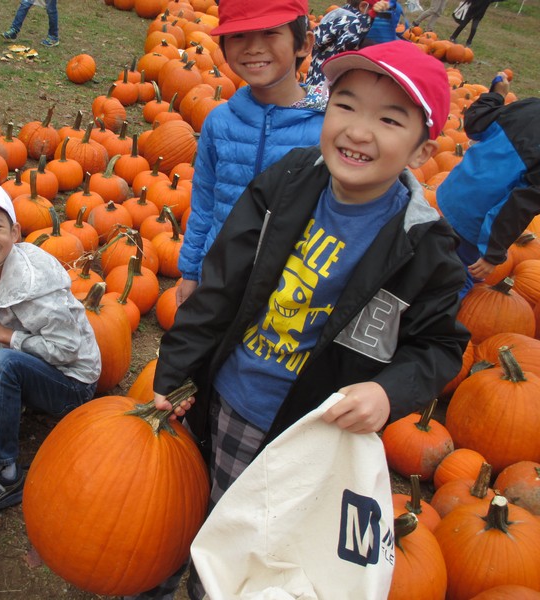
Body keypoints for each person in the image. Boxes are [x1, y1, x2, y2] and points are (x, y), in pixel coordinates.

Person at [152, 40, 469, 599]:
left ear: (422, 150)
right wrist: (175, 370)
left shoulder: (425, 249)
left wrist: (388, 392)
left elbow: (440, 347)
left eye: (389, 119)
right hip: (235, 400)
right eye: (345, 105)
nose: (358, 130)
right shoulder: (288, 180)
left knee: (268, 541)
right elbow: (221, 284)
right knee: (206, 515)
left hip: (313, 434)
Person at [0, 183, 100, 514]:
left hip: (73, 384)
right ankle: (14, 396)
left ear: (15, 232)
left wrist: (3, 335)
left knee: (2, 363)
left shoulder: (37, 288)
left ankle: (4, 474)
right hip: (43, 362)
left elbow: (68, 351)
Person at [175, 0, 326, 306]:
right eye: (239, 35)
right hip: (219, 277)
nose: (253, 47)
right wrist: (191, 271)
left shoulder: (327, 131)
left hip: (287, 294)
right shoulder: (219, 122)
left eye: (270, 33)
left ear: (304, 44)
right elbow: (203, 202)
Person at [437, 74, 540, 297]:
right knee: (456, 281)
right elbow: (517, 205)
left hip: (449, 196)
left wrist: (496, 95)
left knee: (427, 254)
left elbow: (475, 124)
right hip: (475, 223)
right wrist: (493, 253)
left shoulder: (530, 107)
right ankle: (422, 325)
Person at [305, 0, 391, 89]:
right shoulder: (351, 23)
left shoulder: (338, 15)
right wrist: (371, 18)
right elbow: (353, 37)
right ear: (363, 6)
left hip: (314, 81)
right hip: (328, 87)